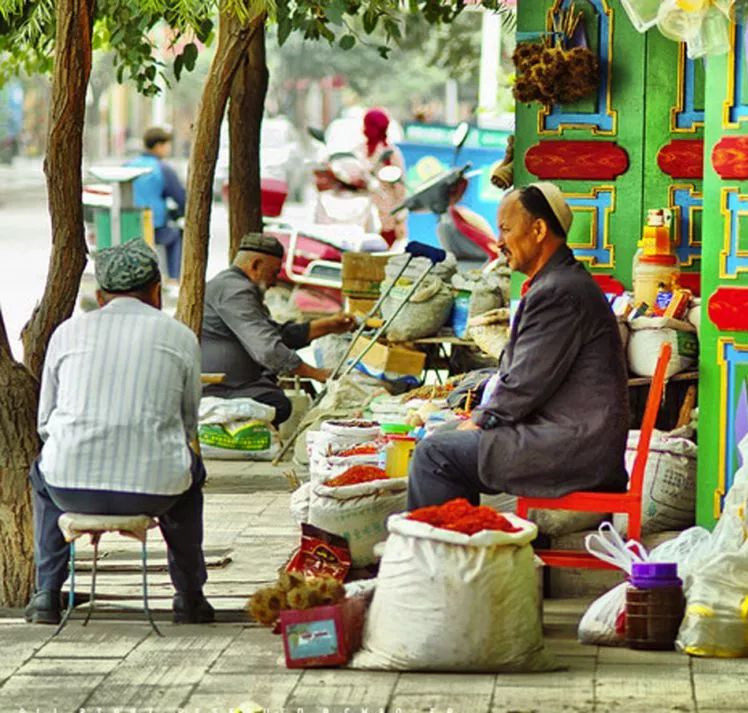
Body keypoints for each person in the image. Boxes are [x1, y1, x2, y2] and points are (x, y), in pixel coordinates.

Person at [406, 182, 630, 509]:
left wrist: (482, 420)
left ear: (538, 229)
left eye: (506, 229)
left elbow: (525, 383)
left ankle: (442, 553)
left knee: (434, 454)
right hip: (565, 437)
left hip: (569, 447)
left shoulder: (559, 292)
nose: (499, 242)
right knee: (441, 437)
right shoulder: (558, 283)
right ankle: (462, 547)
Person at [26, 240, 213, 625]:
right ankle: (189, 597)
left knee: (42, 474)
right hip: (156, 491)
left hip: (69, 485)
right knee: (191, 477)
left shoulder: (67, 332)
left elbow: (46, 422)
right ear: (157, 292)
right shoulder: (180, 336)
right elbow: (188, 423)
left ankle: (46, 593)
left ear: (99, 296)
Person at [201, 233, 356, 426]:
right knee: (278, 404)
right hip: (217, 385)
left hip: (231, 381)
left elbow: (277, 335)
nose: (274, 282)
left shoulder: (234, 286)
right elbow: (268, 349)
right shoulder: (235, 290)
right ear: (255, 265)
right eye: (273, 273)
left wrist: (329, 325)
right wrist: (318, 374)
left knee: (274, 394)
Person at [127, 127, 186, 286]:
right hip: (153, 226)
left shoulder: (128, 165)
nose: (168, 149)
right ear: (159, 146)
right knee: (175, 235)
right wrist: (181, 212)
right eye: (167, 145)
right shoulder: (163, 169)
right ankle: (173, 279)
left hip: (127, 224)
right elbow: (180, 197)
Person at [362, 108, 408, 247]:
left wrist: (400, 219)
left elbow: (400, 188)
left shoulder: (390, 153)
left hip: (386, 219)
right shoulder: (361, 151)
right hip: (363, 214)